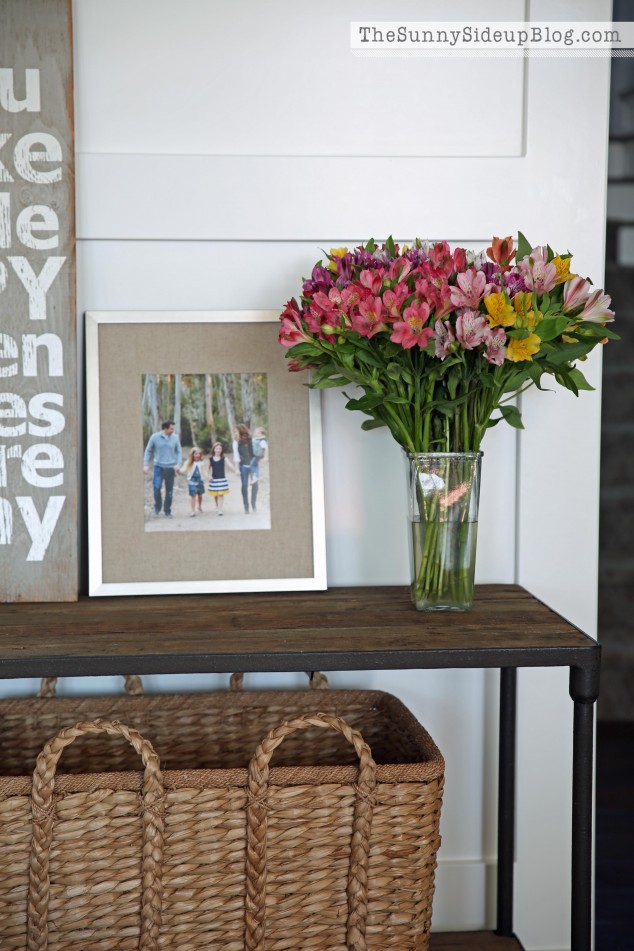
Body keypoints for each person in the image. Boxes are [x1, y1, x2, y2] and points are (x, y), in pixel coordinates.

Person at [143, 420, 182, 518]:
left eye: (174, 428)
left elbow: (179, 451)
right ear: (165, 428)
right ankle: (157, 507)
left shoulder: (175, 438)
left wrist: (178, 464)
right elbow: (148, 450)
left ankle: (167, 511)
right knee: (156, 488)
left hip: (170, 468)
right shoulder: (155, 437)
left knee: (169, 491)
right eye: (171, 429)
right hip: (158, 467)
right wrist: (145, 464)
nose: (173, 430)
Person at [207, 442, 236, 515]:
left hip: (222, 479)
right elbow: (208, 469)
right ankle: (217, 505)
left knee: (221, 494)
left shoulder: (224, 458)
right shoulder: (210, 459)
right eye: (217, 448)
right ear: (214, 449)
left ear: (222, 450)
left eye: (220, 448)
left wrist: (236, 470)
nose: (218, 450)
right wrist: (209, 476)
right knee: (215, 494)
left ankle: (220, 510)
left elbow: (229, 465)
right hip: (214, 479)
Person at [181, 447, 206, 516]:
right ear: (192, 455)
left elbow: (204, 472)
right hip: (191, 481)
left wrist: (208, 477)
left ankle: (200, 506)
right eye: (196, 454)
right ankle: (193, 511)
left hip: (200, 480)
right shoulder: (188, 462)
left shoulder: (201, 463)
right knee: (193, 495)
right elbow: (184, 469)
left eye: (199, 454)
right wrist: (178, 471)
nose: (197, 455)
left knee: (200, 494)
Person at [235, 423, 254, 513]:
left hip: (253, 466)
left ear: (241, 431)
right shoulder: (236, 442)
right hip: (243, 466)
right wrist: (237, 469)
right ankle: (246, 507)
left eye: (236, 431)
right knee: (244, 486)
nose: (235, 433)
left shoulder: (251, 440)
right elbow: (236, 457)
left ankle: (253, 503)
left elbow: (254, 453)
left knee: (255, 485)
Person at [249, 426, 268, 514]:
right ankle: (255, 477)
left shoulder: (262, 440)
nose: (255, 433)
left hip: (258, 455)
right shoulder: (255, 439)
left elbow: (266, 449)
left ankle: (255, 477)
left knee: (252, 466)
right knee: (254, 466)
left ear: (260, 433)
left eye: (256, 432)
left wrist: (265, 457)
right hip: (255, 455)